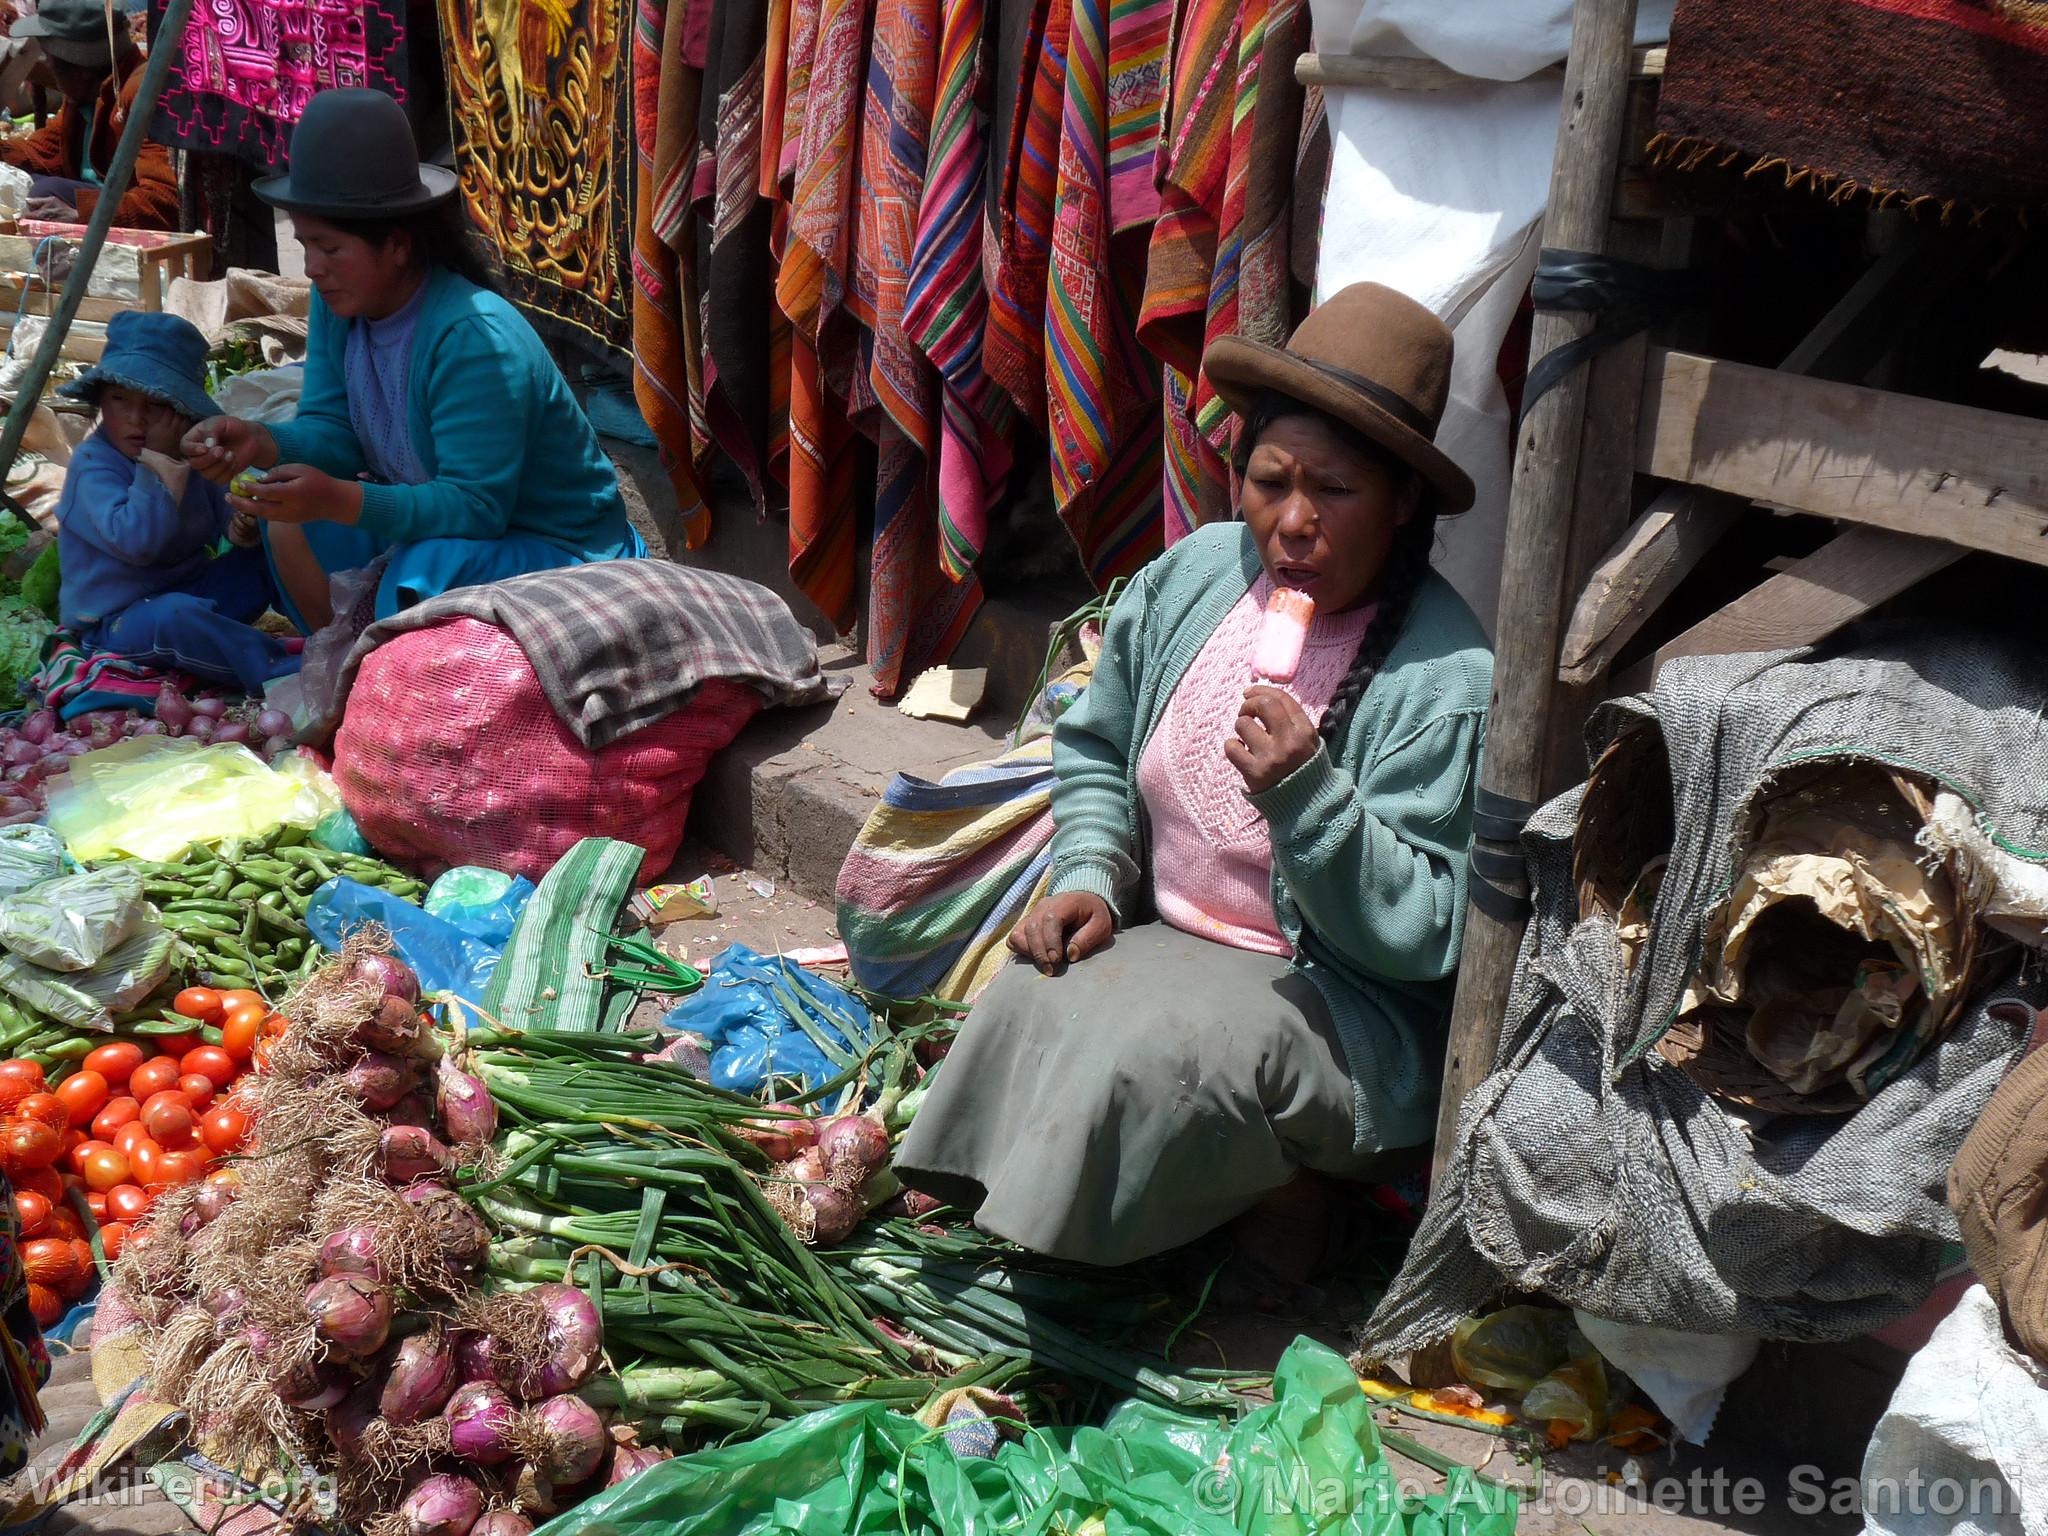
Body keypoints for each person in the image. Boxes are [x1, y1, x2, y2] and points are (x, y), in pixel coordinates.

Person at [894, 283, 1493, 1276]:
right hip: (1167, 930)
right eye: (1269, 482)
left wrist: (1308, 797)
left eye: (1333, 493)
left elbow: (1426, 933)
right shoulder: (1195, 577)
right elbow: (1093, 744)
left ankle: (1285, 1200)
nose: (1292, 522)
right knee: (1028, 997)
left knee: (1155, 1052)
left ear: (1402, 506)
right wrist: (1088, 873)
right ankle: (1072, 1215)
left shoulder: (1445, 680)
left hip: (1333, 1002)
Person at [182, 89, 642, 633]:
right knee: (291, 524)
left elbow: (475, 508)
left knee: (423, 568)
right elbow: (336, 434)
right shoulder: (340, 306)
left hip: (560, 553)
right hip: (456, 535)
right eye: (305, 244)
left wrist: (340, 498)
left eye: (329, 249)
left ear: (397, 245)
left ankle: (383, 684)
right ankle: (343, 677)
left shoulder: (472, 338)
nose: (310, 267)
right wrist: (262, 442)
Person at [53, 312, 295, 693]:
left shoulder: (191, 450)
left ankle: (327, 635)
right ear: (100, 400)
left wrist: (242, 527)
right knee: (175, 617)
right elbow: (139, 543)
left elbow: (224, 519)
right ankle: (278, 671)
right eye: (119, 399)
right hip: (120, 622)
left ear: (182, 410)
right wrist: (157, 462)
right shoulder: (92, 465)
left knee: (274, 551)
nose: (136, 419)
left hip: (196, 594)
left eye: (154, 405)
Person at [1, 0, 178, 229]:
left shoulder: (142, 93)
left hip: (122, 213)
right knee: (13, 184)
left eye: (54, 65)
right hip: (98, 202)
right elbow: (44, 152)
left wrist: (81, 214)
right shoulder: (81, 96)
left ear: (79, 70)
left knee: (40, 192)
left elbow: (163, 202)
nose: (51, 73)